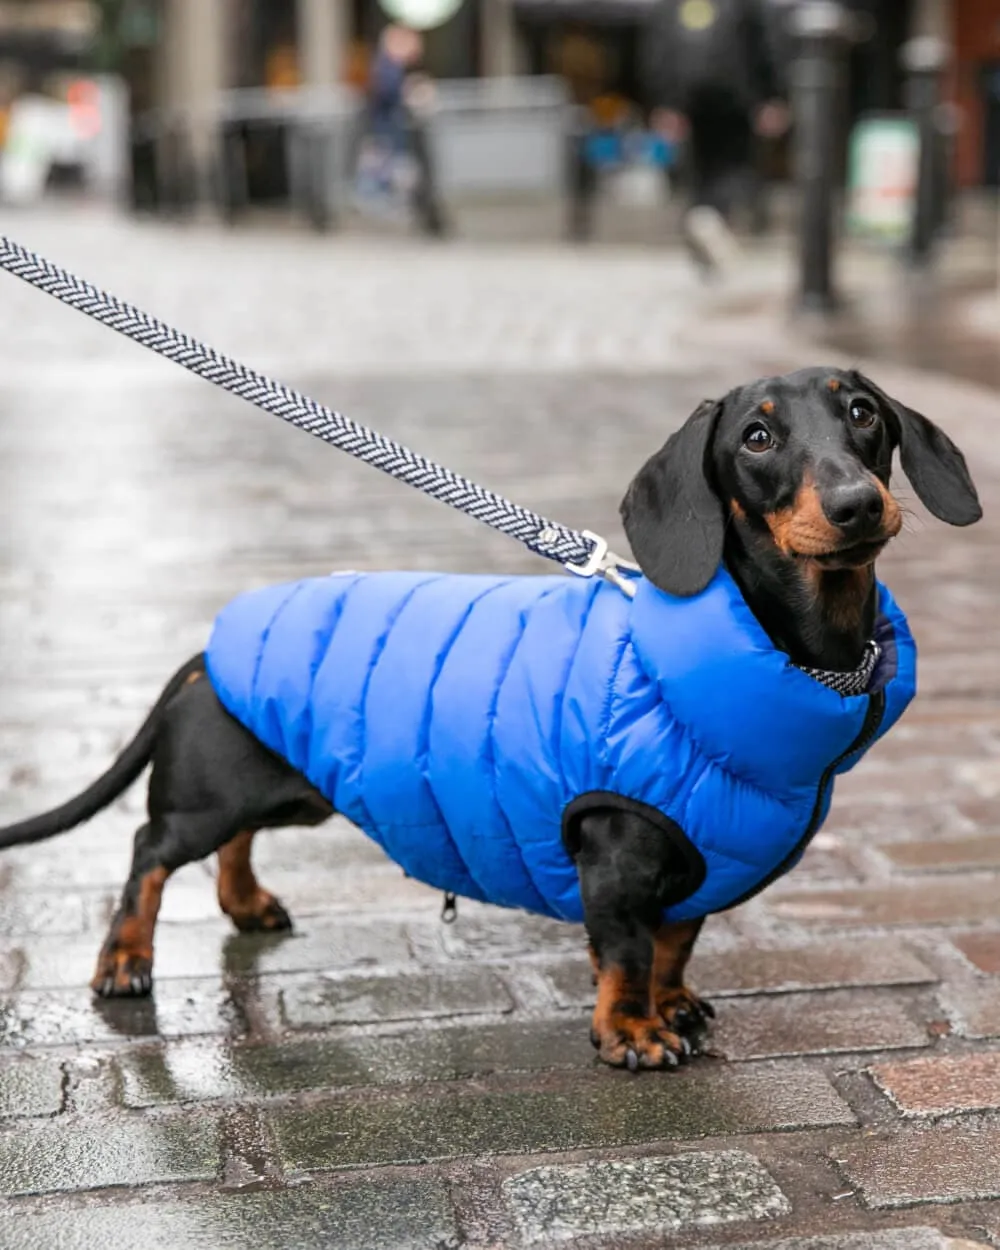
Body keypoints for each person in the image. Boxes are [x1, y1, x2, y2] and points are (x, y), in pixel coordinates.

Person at [641, 0, 790, 273]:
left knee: (701, 169)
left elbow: (657, 52)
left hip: (690, 99)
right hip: (738, 97)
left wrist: (666, 102)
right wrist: (771, 97)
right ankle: (715, 216)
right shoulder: (745, 6)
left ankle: (704, 218)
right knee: (736, 166)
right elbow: (765, 47)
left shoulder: (672, 7)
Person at [355, 23, 447, 236]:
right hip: (390, 139)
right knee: (394, 184)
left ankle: (423, 220)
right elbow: (391, 96)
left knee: (406, 182)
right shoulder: (387, 69)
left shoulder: (396, 68)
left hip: (397, 138)